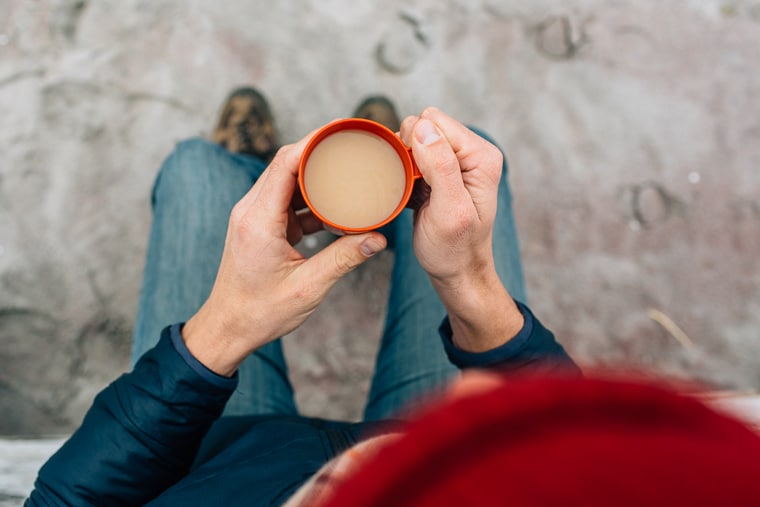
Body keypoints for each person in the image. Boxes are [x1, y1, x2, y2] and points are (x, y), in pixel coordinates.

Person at [26, 91, 760, 506]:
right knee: (471, 174)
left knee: (196, 173)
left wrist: (221, 331)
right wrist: (470, 283)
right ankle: (399, 187)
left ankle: (244, 160)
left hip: (217, 457)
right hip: (438, 439)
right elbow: (576, 456)